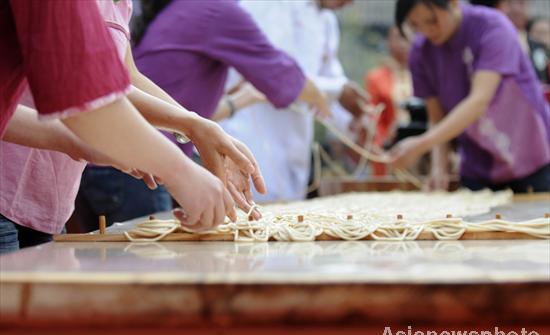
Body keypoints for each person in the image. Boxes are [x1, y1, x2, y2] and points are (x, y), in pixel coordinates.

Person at [0, 0, 259, 252]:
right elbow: (83, 93)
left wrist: (195, 125)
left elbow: (116, 83)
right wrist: (180, 170)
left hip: (47, 201)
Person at [73, 0, 329, 229]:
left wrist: (198, 129)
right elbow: (280, 76)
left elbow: (129, 78)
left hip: (119, 162)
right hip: (135, 163)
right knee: (151, 271)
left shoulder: (157, 7)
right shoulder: (215, 10)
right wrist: (327, 94)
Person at [390, 0, 550, 193]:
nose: (427, 30)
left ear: (453, 3)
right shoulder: (420, 51)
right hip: (477, 165)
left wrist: (420, 145)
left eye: (432, 20)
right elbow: (437, 117)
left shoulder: (492, 26)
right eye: (416, 25)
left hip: (529, 153)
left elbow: (479, 101)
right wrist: (439, 168)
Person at [221, 0, 370, 202]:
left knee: (288, 220)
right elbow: (270, 71)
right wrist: (338, 91)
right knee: (250, 208)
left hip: (296, 140)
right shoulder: (270, 4)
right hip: (253, 130)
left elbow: (331, 84)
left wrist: (352, 122)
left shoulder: (327, 20)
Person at [364, 25, 413, 176]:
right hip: (388, 146)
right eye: (398, 38)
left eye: (407, 37)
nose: (403, 43)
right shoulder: (376, 78)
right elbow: (374, 117)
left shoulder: (424, 74)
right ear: (388, 42)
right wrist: (380, 142)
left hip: (420, 146)